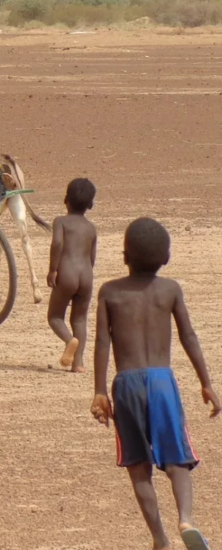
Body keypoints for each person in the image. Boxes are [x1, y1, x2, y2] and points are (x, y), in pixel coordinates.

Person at [92, 217, 219, 550]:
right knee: (178, 459)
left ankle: (160, 539)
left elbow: (102, 343)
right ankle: (186, 519)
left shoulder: (110, 291)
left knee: (137, 465)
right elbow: (188, 336)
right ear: (167, 258)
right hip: (163, 382)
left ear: (124, 256)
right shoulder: (170, 289)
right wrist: (206, 383)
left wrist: (100, 391)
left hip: (125, 384)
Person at [47, 178, 98, 373]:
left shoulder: (60, 222)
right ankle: (78, 363)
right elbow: (92, 257)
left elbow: (57, 244)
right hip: (86, 276)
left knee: (55, 316)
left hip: (66, 274)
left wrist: (53, 269)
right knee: (80, 319)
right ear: (91, 205)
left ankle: (70, 341)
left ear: (65, 199)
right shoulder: (91, 228)